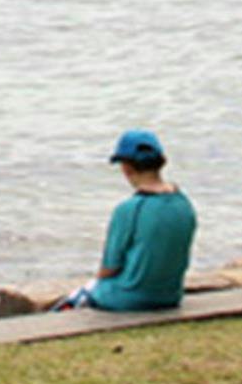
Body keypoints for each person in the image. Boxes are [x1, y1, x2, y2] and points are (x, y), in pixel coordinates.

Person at [53, 129, 196, 312]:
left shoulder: (129, 209)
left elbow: (109, 268)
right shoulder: (183, 204)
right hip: (170, 296)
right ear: (161, 162)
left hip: (128, 298)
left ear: (126, 167)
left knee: (75, 299)